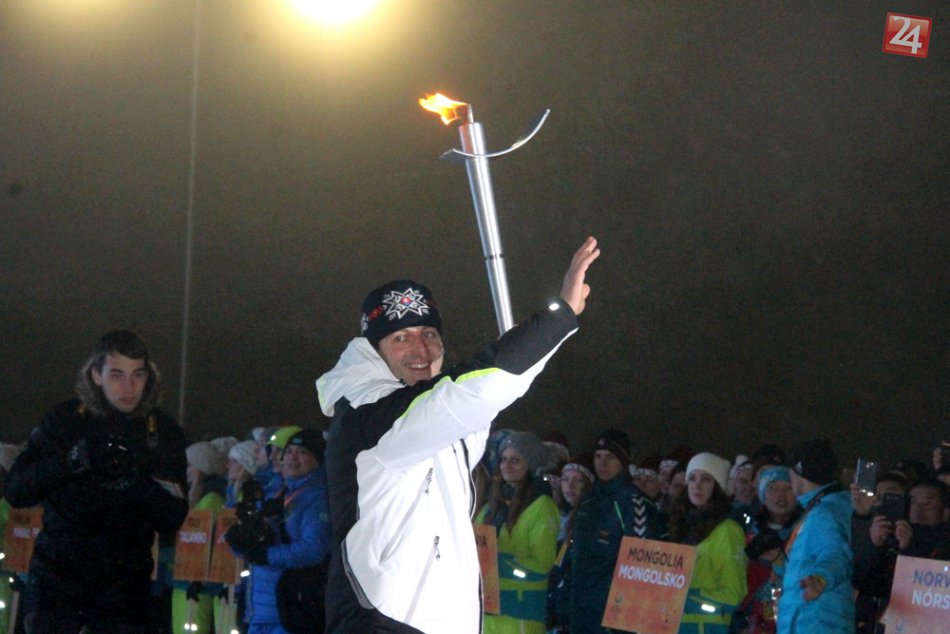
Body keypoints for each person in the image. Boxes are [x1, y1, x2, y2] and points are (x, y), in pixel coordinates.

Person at [316, 237, 600, 633]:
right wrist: (559, 316)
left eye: (429, 334)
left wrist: (521, 346)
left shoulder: (436, 417)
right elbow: (474, 388)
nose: (421, 349)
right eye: (401, 338)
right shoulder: (370, 416)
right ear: (374, 351)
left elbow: (485, 388)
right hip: (381, 623)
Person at [4, 330, 189, 633]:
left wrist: (132, 480)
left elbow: (173, 516)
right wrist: (71, 462)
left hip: (124, 589)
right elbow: (16, 490)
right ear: (96, 374)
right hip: (57, 581)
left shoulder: (162, 432)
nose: (129, 387)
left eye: (138, 375)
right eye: (117, 375)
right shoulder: (65, 420)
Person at [225, 428, 332, 634]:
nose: (292, 458)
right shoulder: (277, 492)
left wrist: (265, 555)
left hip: (292, 609)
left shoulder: (317, 498)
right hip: (260, 609)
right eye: (289, 451)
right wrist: (240, 542)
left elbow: (314, 549)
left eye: (302, 452)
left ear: (317, 459)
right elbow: (258, 542)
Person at [566, 428, 666, 634]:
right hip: (581, 613)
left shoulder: (634, 503)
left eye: (610, 457)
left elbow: (642, 569)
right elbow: (573, 555)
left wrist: (625, 625)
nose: (602, 463)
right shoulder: (588, 499)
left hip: (612, 619)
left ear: (623, 461)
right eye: (598, 456)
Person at [477, 431, 560, 634]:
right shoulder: (492, 505)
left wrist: (499, 564)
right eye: (504, 459)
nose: (507, 465)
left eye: (515, 460)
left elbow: (542, 565)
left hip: (521, 617)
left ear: (530, 465)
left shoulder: (542, 506)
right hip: (487, 614)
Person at [777, 438, 853, 634]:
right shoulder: (823, 508)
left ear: (797, 473)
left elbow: (836, 553)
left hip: (814, 622)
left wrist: (821, 578)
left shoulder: (824, 513)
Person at [667, 452, 747, 633]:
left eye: (706, 480)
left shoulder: (728, 530)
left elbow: (733, 594)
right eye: (692, 478)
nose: (697, 486)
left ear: (717, 486)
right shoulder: (680, 525)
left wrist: (686, 599)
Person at [733, 466, 802, 633]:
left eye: (788, 488)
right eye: (773, 488)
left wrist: (780, 561)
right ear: (762, 494)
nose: (781, 495)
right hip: (751, 620)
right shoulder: (747, 531)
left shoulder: (805, 530)